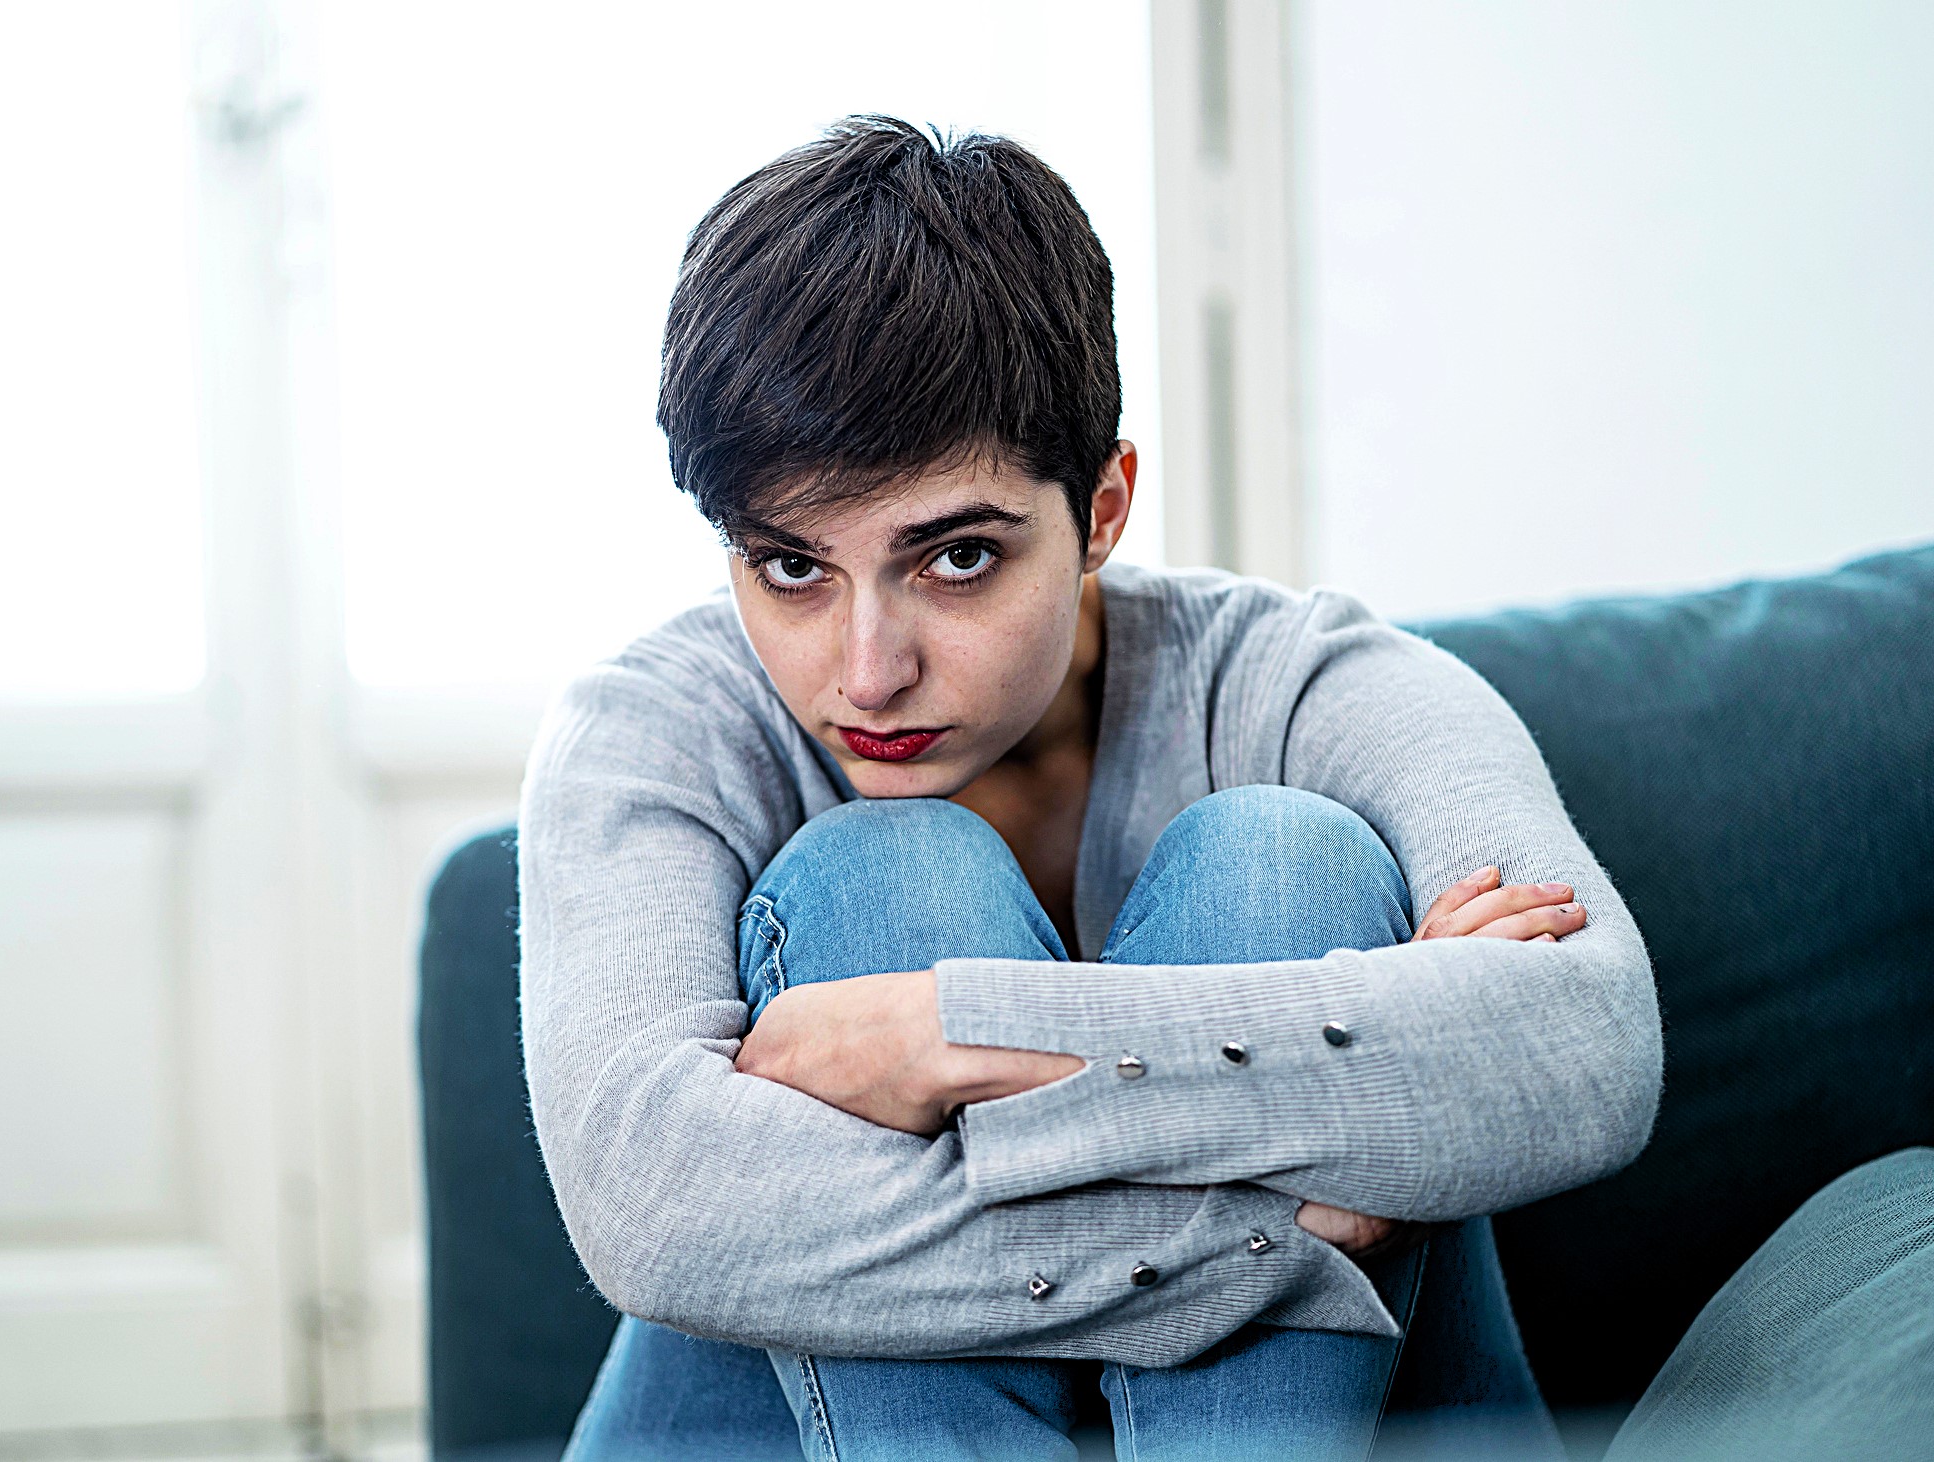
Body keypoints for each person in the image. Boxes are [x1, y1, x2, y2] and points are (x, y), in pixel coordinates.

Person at [518, 116, 1663, 1459]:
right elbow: (652, 1196)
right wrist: (1269, 1211)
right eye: (788, 567)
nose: (867, 671)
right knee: (878, 876)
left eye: (954, 558)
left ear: (1104, 508)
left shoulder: (1305, 683)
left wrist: (946, 1033)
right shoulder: (652, 732)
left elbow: (1589, 1043)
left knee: (1278, 862)